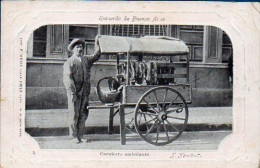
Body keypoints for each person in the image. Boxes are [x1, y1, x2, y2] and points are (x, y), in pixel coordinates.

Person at [63, 35, 101, 143]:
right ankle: (73, 136)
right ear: (73, 50)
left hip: (85, 92)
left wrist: (97, 42)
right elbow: (67, 78)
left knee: (83, 114)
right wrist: (72, 92)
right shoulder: (69, 62)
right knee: (73, 114)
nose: (79, 49)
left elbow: (96, 56)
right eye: (77, 47)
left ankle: (81, 135)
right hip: (74, 93)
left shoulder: (86, 60)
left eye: (81, 47)